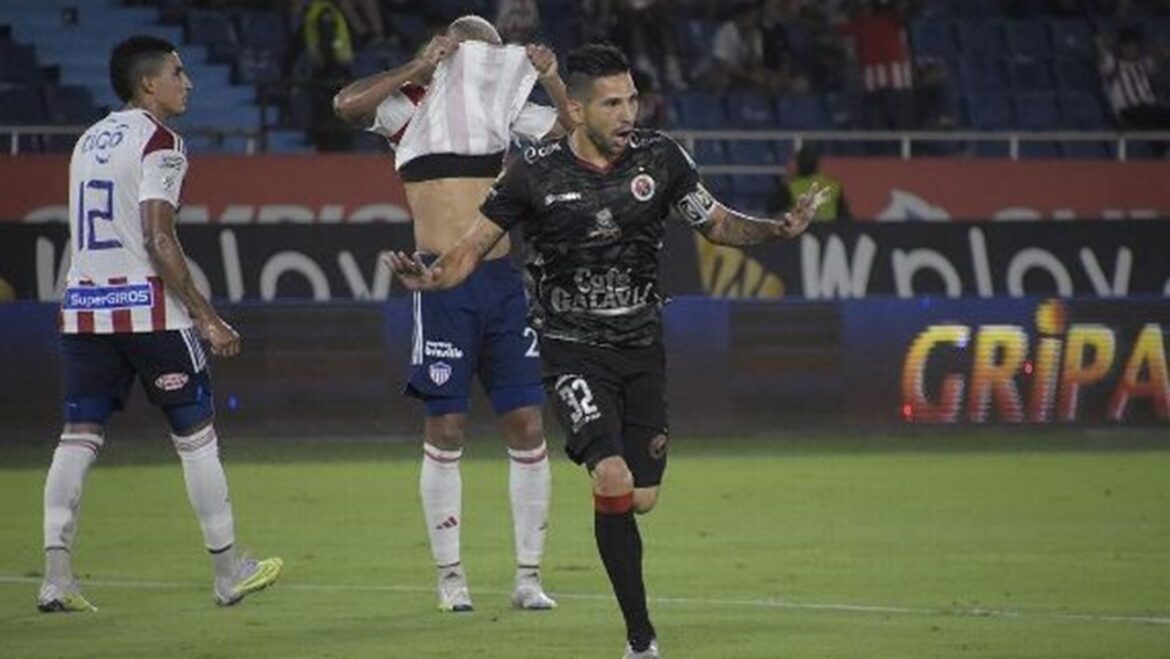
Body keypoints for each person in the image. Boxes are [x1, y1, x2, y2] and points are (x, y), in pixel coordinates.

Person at [383, 43, 829, 658]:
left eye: (632, 100)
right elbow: (471, 246)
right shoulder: (532, 173)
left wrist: (778, 229)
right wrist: (434, 279)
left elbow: (717, 223)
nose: (628, 114)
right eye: (612, 103)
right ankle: (640, 639)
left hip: (641, 348)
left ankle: (618, 563)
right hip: (572, 352)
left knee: (640, 497)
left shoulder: (660, 158)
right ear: (577, 108)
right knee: (611, 476)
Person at [332, 16, 572, 612]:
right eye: (470, 52)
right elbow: (346, 105)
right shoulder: (408, 107)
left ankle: (528, 577)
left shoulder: (503, 110)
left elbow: (574, 135)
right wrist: (419, 66)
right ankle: (450, 577)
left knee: (528, 425)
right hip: (441, 284)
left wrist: (551, 77)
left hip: (501, 282)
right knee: (445, 427)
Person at [38, 35, 283, 613]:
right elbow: (158, 236)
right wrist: (206, 316)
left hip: (84, 307)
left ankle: (55, 578)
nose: (187, 82)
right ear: (149, 83)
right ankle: (227, 572)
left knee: (77, 439)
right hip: (148, 311)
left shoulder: (87, 139)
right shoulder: (161, 141)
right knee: (196, 439)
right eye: (178, 72)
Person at [784, 147, 851, 221]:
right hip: (830, 226)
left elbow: (781, 214)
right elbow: (845, 216)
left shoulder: (790, 187)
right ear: (816, 163)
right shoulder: (833, 185)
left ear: (798, 164)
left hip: (804, 227)